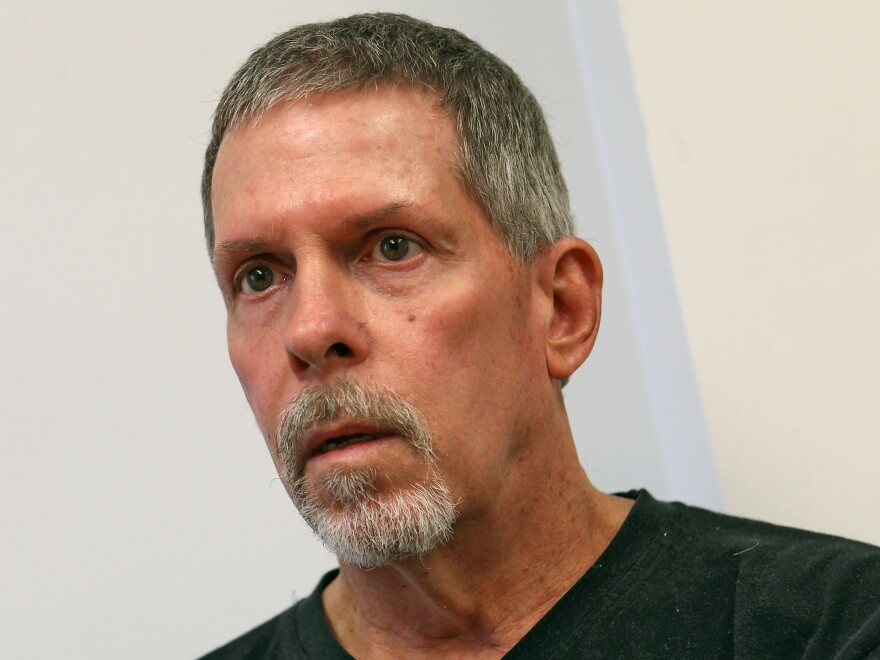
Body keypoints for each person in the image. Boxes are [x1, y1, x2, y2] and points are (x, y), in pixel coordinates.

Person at [199, 13, 880, 659]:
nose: (311, 329)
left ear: (561, 309)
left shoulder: (834, 627)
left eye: (392, 246)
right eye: (259, 277)